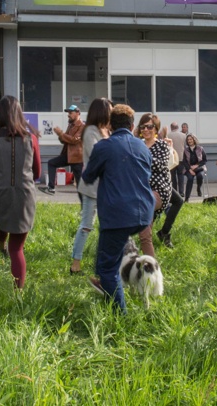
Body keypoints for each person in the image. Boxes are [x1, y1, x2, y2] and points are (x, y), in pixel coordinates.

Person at [81, 104, 155, 312]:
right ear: (133, 126)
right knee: (107, 255)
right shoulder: (142, 147)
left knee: (107, 267)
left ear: (110, 125)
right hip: (143, 213)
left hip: (117, 214)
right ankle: (110, 282)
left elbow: (88, 176)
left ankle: (119, 315)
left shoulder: (104, 146)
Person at [0, 96, 41, 288]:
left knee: (3, 219)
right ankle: (18, 293)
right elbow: (37, 172)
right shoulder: (31, 138)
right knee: (17, 249)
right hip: (24, 194)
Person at [71, 98, 112, 275]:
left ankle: (104, 262)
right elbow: (97, 154)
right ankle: (75, 264)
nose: (112, 113)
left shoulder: (105, 131)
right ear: (102, 111)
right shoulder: (90, 131)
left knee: (108, 227)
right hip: (91, 187)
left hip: (105, 187)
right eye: (110, 110)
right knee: (86, 225)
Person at [136, 113, 183, 250]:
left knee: (148, 209)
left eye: (149, 126)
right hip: (142, 188)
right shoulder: (138, 145)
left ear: (156, 128)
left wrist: (141, 158)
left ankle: (153, 241)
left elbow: (162, 165)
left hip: (159, 188)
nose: (145, 129)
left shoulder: (162, 145)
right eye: (143, 127)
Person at [39, 105, 84, 195]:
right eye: (68, 113)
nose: (68, 115)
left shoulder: (83, 126)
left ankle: (87, 206)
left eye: (70, 113)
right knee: (52, 163)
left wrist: (61, 134)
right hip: (68, 155)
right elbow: (64, 140)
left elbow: (74, 140)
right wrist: (60, 135)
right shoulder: (70, 126)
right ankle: (51, 188)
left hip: (76, 158)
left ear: (78, 113)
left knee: (80, 187)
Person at [181, 133, 208, 201]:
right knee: (190, 179)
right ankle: (187, 198)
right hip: (189, 169)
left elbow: (204, 160)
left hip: (198, 168)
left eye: (191, 139)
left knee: (200, 176)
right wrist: (190, 170)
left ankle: (198, 188)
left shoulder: (200, 148)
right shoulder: (186, 150)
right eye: (188, 140)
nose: (189, 141)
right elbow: (184, 162)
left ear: (194, 140)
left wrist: (197, 165)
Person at [167, 122, 187, 193]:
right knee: (180, 175)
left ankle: (175, 191)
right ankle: (181, 192)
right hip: (181, 158)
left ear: (171, 127)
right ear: (178, 127)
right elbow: (185, 146)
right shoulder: (183, 135)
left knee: (172, 176)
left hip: (172, 158)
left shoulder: (168, 135)